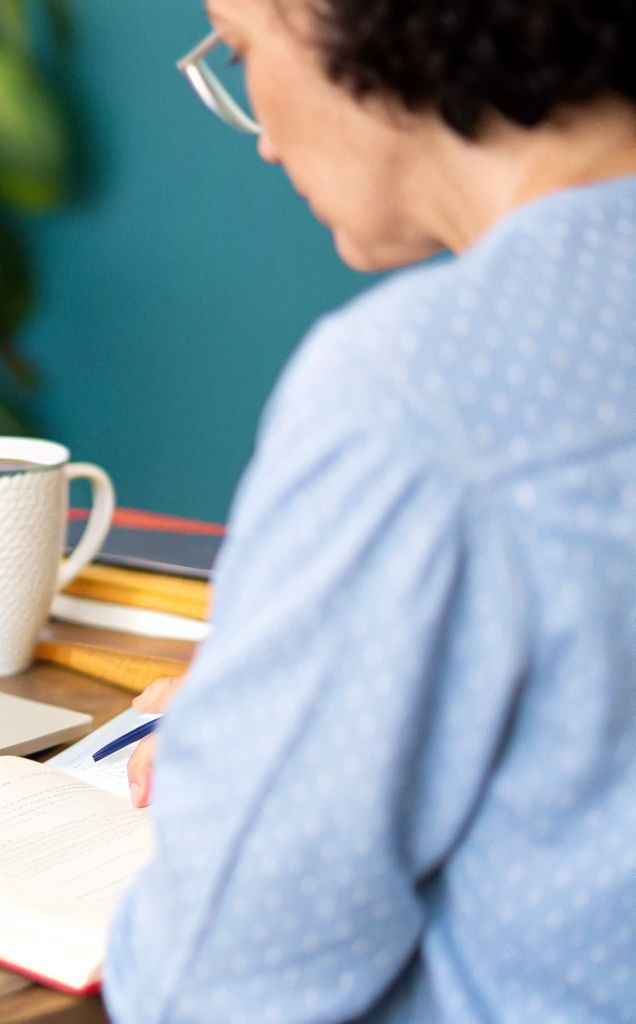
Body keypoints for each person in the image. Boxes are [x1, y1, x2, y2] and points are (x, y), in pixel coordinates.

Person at [104, 1, 636, 1020]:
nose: (258, 132)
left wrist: (240, 762)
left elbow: (204, 992)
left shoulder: (421, 393)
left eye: (238, 48)